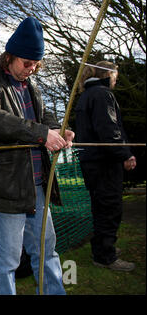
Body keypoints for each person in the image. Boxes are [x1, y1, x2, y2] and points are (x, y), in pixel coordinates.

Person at [0, 17, 74, 295]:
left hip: (37, 186)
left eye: (36, 64)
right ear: (10, 56)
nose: (32, 69)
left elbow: (45, 118)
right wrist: (41, 133)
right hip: (6, 189)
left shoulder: (32, 88)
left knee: (46, 251)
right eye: (27, 63)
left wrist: (59, 131)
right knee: (6, 261)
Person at [75, 61, 136, 272]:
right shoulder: (102, 94)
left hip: (93, 162)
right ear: (108, 75)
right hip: (104, 162)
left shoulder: (87, 95)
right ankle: (104, 256)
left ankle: (102, 248)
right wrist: (125, 154)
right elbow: (109, 129)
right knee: (109, 208)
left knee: (101, 207)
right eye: (115, 78)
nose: (116, 82)